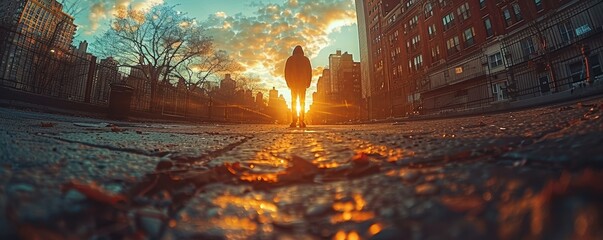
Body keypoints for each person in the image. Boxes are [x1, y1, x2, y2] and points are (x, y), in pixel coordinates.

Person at [284, 45, 312, 128]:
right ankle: (301, 121)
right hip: (303, 84)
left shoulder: (290, 59)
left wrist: (288, 82)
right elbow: (309, 72)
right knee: (302, 102)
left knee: (294, 102)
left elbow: (286, 72)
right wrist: (308, 82)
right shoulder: (306, 59)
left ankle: (294, 121)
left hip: (293, 84)